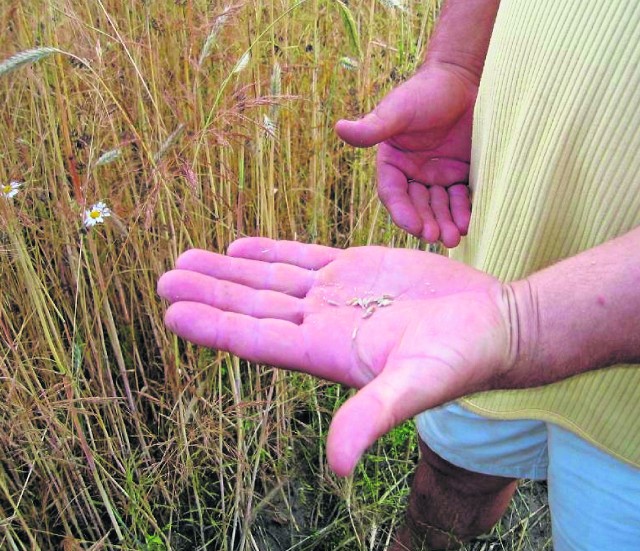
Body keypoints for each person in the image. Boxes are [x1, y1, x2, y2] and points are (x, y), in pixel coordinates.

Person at [158, 0, 640, 549]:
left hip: (626, 410)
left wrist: (522, 324)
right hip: (494, 249)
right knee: (456, 470)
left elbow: (516, 323)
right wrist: (456, 65)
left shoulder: (503, 324)